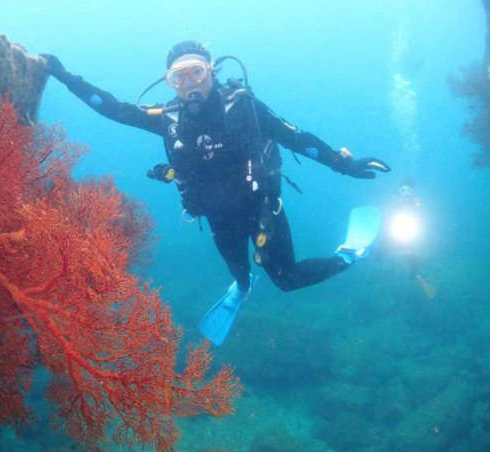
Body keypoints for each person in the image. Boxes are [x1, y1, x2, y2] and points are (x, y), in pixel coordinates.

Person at [41, 41, 391, 345]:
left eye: (196, 72)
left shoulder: (244, 107)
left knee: (287, 279)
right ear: (169, 82)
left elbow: (296, 137)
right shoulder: (168, 117)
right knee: (239, 273)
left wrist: (343, 163)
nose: (189, 84)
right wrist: (63, 75)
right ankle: (241, 287)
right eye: (178, 77)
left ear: (211, 71)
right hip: (218, 217)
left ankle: (347, 255)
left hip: (261, 208)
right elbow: (114, 108)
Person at [383, 179, 436, 299]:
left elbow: (422, 216)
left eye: (408, 191)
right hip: (394, 231)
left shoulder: (415, 203)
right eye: (403, 190)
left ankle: (414, 274)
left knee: (411, 254)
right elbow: (387, 216)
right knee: (383, 249)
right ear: (398, 192)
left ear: (412, 192)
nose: (405, 193)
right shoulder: (394, 203)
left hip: (410, 232)